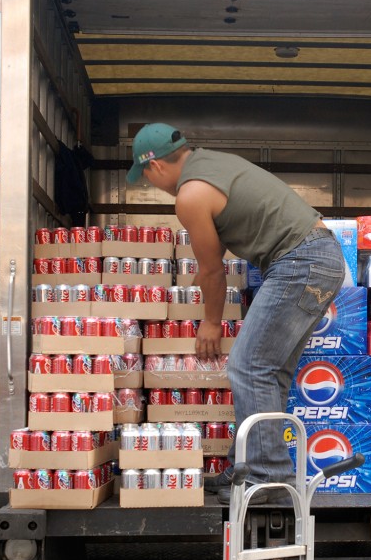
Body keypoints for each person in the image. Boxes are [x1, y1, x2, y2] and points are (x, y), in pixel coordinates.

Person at [127, 123, 345, 504]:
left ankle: (264, 477)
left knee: (248, 366)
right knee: (269, 372)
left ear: (155, 167)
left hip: (301, 262)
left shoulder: (189, 195)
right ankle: (247, 466)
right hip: (319, 257)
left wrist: (211, 322)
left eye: (145, 177)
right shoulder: (213, 164)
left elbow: (214, 270)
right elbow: (210, 258)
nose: (150, 184)